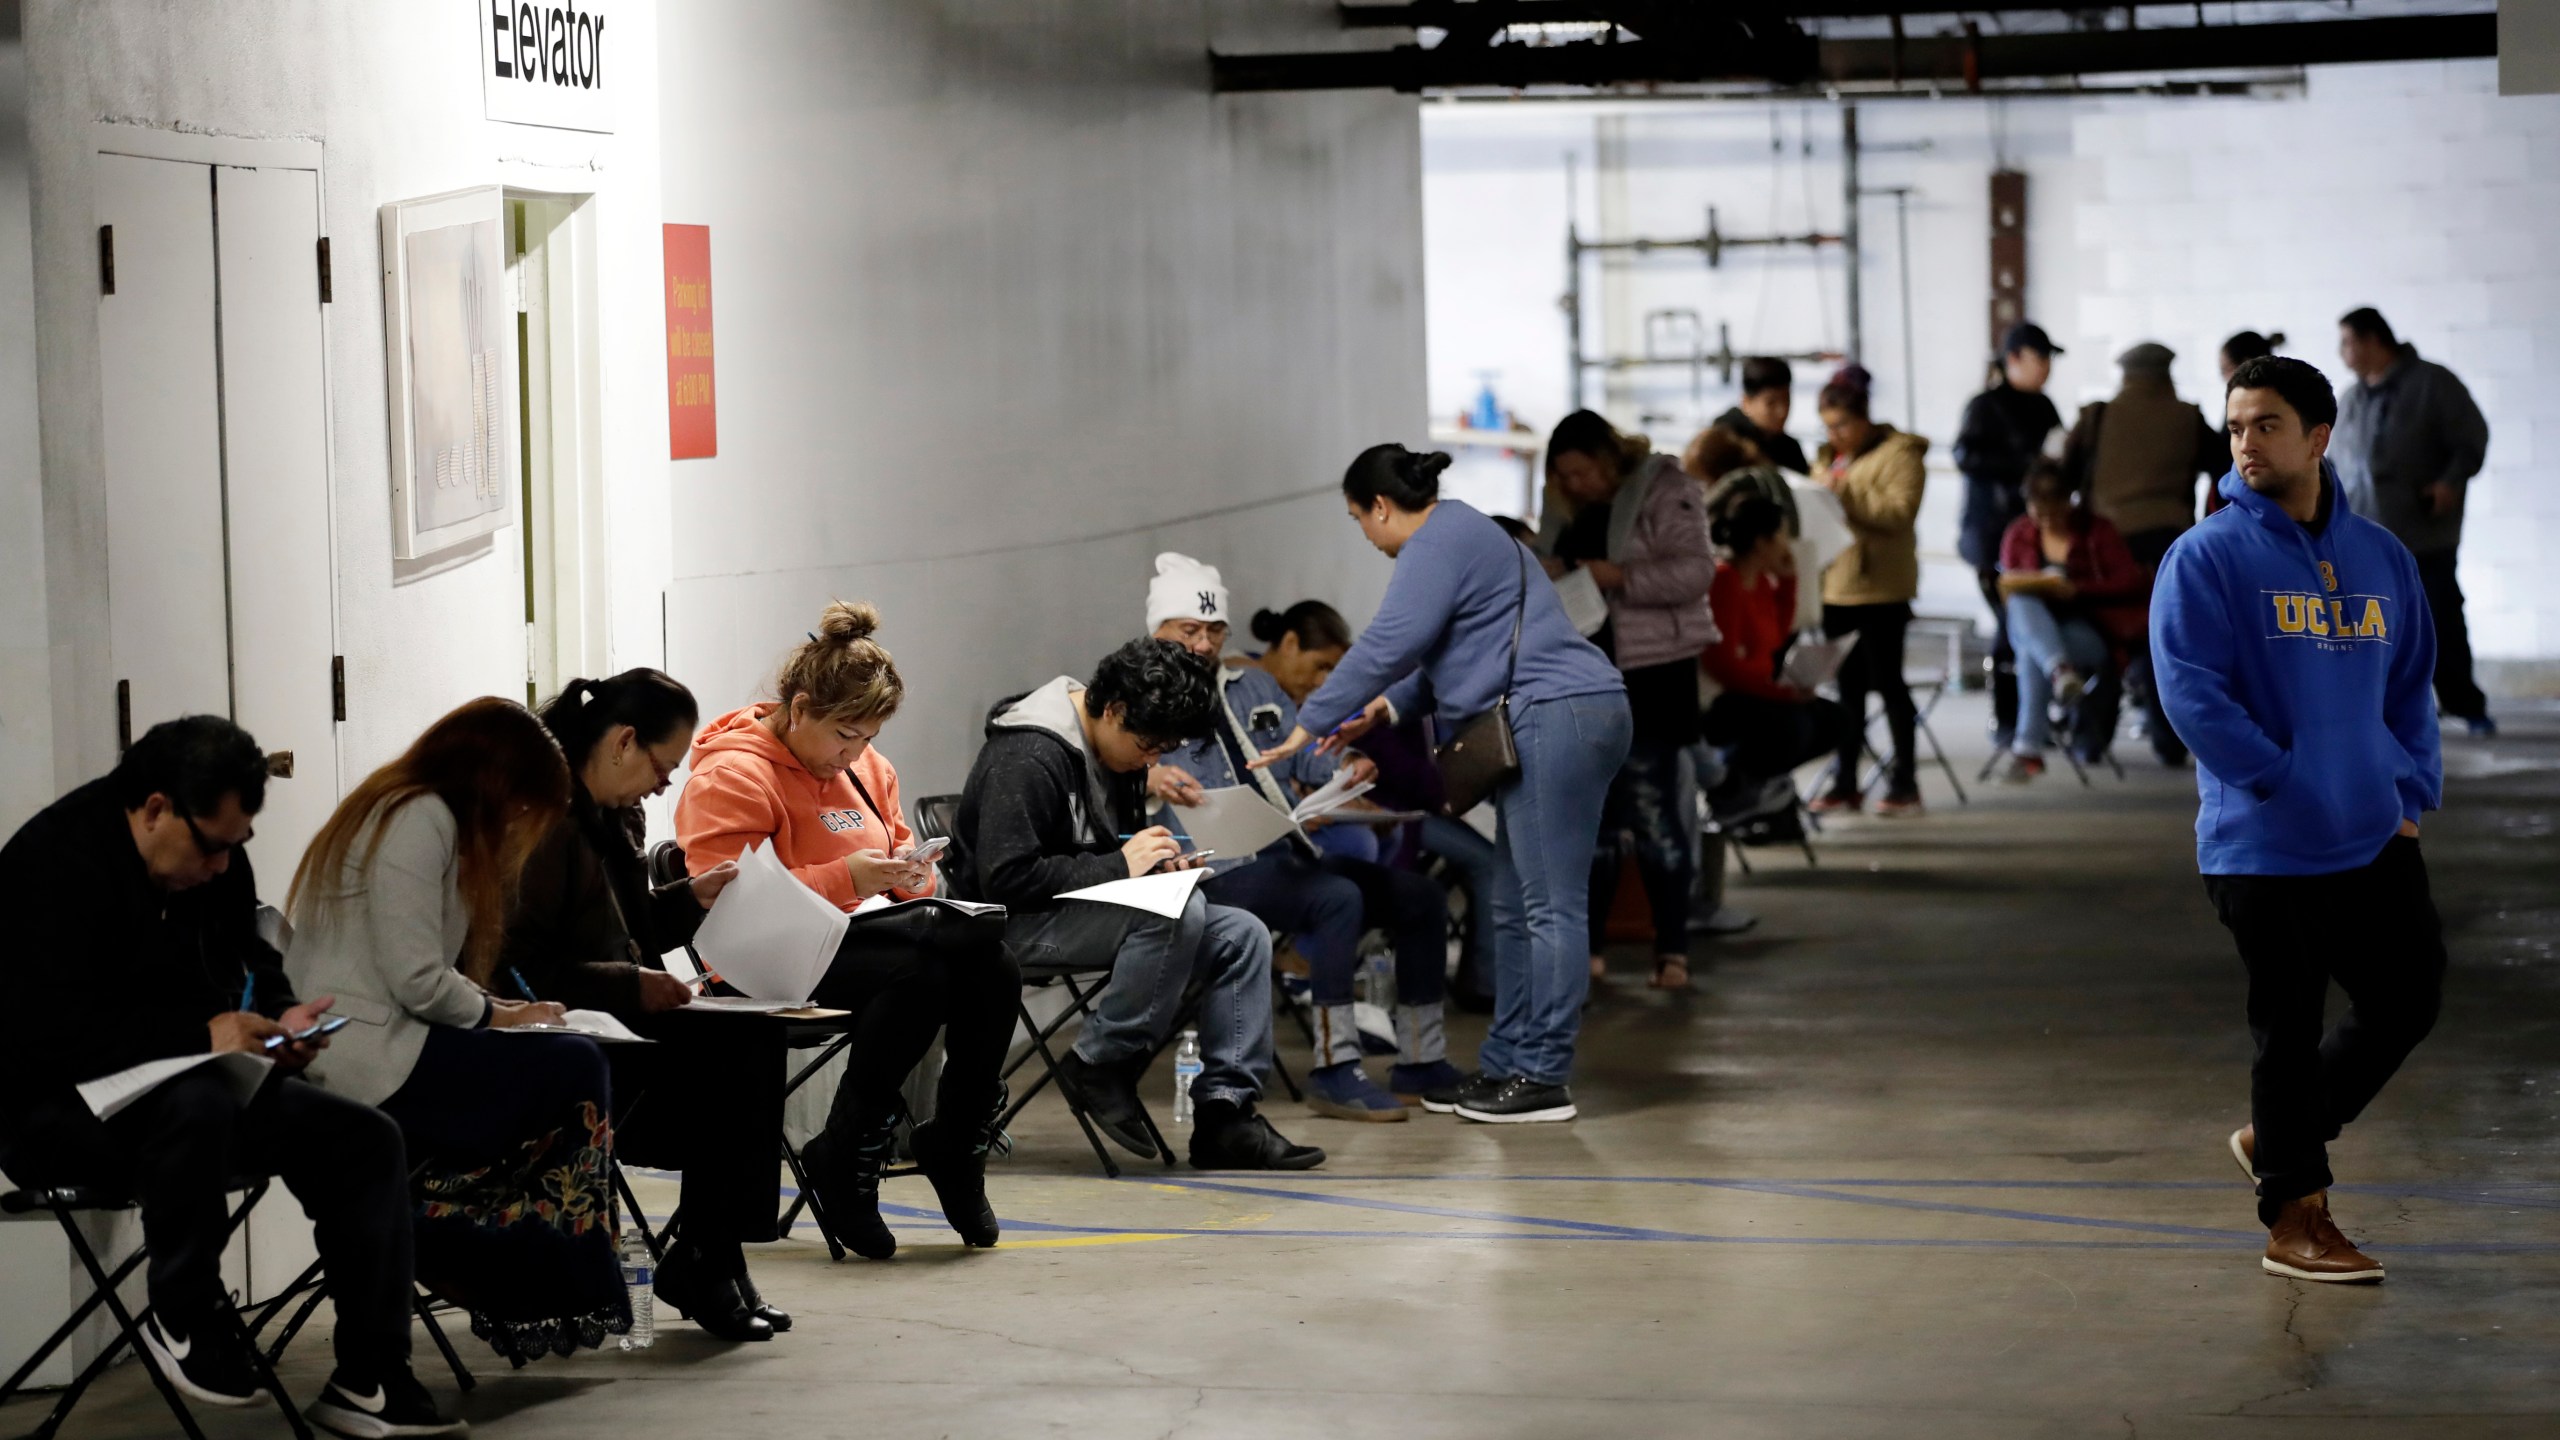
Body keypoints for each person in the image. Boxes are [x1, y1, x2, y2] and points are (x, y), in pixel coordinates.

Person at [0, 718, 462, 1439]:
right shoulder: (47, 865)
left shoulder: (215, 860)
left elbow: (250, 956)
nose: (221, 867)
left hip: (197, 1097)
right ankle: (186, 1313)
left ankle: (372, 1377)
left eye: (236, 845)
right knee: (199, 1101)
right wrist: (201, 1035)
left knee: (365, 1139)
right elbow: (43, 1033)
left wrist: (282, 1019)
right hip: (56, 1113)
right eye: (212, 845)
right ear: (155, 808)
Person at [2153, 354, 2445, 1285]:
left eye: (2267, 425)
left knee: (2409, 993)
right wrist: (2278, 779)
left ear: (2318, 438)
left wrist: (2405, 796)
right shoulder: (2206, 556)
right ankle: (2296, 1219)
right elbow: (2191, 694)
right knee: (2287, 1026)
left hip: (2369, 833)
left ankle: (2279, 1135)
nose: (2246, 443)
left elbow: (2410, 687)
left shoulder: (2382, 557)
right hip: (2264, 843)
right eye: (2236, 426)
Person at [1256, 445, 1630, 1126]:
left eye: (1358, 520)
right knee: (1517, 903)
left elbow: (1390, 640)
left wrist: (1308, 722)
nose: (1366, 538)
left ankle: (1542, 1076)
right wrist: (1383, 708)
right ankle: (1512, 1061)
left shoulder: (1434, 541)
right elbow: (1448, 649)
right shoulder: (1464, 532)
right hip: (1559, 712)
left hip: (1557, 714)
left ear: (1380, 506)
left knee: (1549, 906)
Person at [675, 603, 1023, 1255]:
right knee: (921, 969)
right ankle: (849, 1148)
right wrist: (847, 878)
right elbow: (726, 912)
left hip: (866, 941)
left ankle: (955, 1139)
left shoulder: (869, 770)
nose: (854, 754)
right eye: (844, 735)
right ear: (799, 709)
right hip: (759, 958)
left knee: (992, 963)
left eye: (867, 737)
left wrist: (913, 876)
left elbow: (892, 853)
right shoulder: (733, 775)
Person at [286, 698, 624, 1365]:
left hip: (382, 1040)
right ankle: (470, 1244)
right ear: (498, 785)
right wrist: (503, 1015)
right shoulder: (420, 819)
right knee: (574, 1067)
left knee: (566, 1060)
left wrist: (500, 1010)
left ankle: (472, 1240)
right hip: (365, 1057)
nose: (522, 824)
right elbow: (417, 979)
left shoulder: (404, 807)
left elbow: (423, 972)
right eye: (525, 807)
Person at [945, 637, 1322, 1170]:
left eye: (1165, 749)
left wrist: (1158, 869)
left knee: (1242, 934)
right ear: (1114, 710)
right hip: (1006, 926)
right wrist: (1124, 867)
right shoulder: (1028, 754)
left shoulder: (1115, 751)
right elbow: (1006, 879)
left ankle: (1225, 1116)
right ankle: (1100, 1062)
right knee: (1173, 912)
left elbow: (1107, 855)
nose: (1154, 759)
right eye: (1149, 743)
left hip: (1080, 909)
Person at [501, 668, 796, 1339]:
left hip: (615, 1012)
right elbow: (522, 971)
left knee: (760, 1032)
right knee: (731, 1056)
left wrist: (691, 900)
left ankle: (713, 1250)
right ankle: (708, 1255)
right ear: (623, 742)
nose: (665, 786)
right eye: (663, 768)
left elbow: (630, 933)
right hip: (562, 1031)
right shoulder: (542, 824)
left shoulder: (612, 813)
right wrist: (632, 984)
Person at [1144, 570, 1459, 1119]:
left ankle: (1420, 1061)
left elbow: (1304, 753)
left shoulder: (1255, 687)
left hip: (1278, 853)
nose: (1203, 644)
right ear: (1157, 629)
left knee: (1420, 898)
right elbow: (1096, 756)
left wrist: (1346, 768)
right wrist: (1146, 778)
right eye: (1188, 629)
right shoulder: (1138, 691)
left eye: (1215, 630)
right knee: (1335, 897)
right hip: (1204, 869)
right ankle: (1336, 1070)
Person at [1534, 411, 1717, 991]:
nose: (1575, 485)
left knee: (1655, 810)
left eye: (1583, 472)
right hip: (1584, 670)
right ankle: (1592, 950)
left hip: (1652, 672)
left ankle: (1673, 950)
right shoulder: (1563, 506)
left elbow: (1694, 573)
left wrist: (1619, 576)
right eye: (1564, 476)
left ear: (1610, 460)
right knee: (1597, 819)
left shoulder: (1666, 490)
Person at [2060, 342, 2225, 766]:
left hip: (2105, 545)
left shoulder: (2097, 415)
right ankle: (2169, 740)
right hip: (2168, 544)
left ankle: (2090, 739)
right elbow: (2222, 467)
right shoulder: (2187, 417)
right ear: (2166, 373)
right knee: (2162, 641)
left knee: (2103, 636)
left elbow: (2064, 475)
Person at [2334, 307, 2494, 735]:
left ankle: (2466, 703)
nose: (2342, 352)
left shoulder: (2432, 384)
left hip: (2424, 531)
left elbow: (2470, 440)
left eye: (2347, 341)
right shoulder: (2349, 401)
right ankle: (2391, 709)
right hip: (2366, 534)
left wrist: (2449, 482)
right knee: (2375, 625)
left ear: (2372, 340)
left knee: (2439, 615)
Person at [1810, 373, 1930, 816]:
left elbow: (1900, 512)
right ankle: (1845, 782)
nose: (1834, 435)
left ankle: (1905, 782)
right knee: (1848, 691)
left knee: (1890, 686)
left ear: (1863, 418)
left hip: (1882, 590)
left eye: (1841, 425)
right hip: (1837, 588)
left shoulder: (1902, 455)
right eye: (1827, 426)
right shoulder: (1828, 458)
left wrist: (1845, 497)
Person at [1992, 461, 2145, 781]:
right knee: (2021, 604)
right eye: (2038, 511)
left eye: (2054, 511)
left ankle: (2028, 749)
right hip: (2036, 627)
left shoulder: (2097, 531)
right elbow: (2008, 583)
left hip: (2090, 630)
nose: (2046, 520)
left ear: (2069, 502)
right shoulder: (2018, 533)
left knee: (2032, 651)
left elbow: (2131, 580)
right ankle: (2060, 673)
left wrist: (2078, 589)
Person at [1955, 323, 2065, 749]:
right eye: (2042, 358)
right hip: (1991, 536)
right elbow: (1966, 455)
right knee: (2009, 625)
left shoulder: (2045, 407)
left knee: (2032, 623)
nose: (2048, 368)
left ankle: (2033, 719)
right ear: (2014, 358)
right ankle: (2006, 719)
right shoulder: (1985, 406)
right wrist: (2026, 461)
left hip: (2038, 538)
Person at [1700, 494, 1848, 800]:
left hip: (1758, 690)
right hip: (1726, 697)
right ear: (1761, 543)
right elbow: (1724, 664)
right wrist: (1783, 694)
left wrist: (1789, 581)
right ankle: (1734, 787)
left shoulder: (1763, 582)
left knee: (1836, 720)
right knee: (1794, 727)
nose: (1786, 544)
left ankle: (1759, 784)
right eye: (1780, 536)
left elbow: (1774, 640)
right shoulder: (1724, 582)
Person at [1709, 355, 1809, 474]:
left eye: (1786, 400)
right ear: (1746, 402)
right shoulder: (1724, 443)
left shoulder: (1790, 450)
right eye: (1771, 403)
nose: (1782, 412)